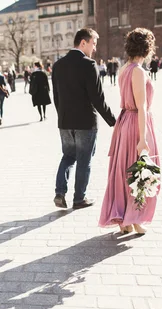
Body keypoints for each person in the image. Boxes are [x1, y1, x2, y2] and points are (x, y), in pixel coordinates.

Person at [99, 28, 160, 235]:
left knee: (124, 170)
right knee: (139, 169)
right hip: (135, 122)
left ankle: (125, 219)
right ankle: (134, 218)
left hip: (125, 120)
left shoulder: (124, 68)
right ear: (148, 48)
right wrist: (143, 139)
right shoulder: (138, 71)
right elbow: (141, 106)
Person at [51, 28, 116, 210]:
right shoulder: (88, 65)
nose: (94, 48)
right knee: (84, 160)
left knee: (68, 156)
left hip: (65, 123)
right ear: (83, 43)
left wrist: (62, 117)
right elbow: (98, 99)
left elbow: (56, 97)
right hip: (85, 123)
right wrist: (113, 121)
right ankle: (79, 198)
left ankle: (60, 192)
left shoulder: (58, 65)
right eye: (93, 43)